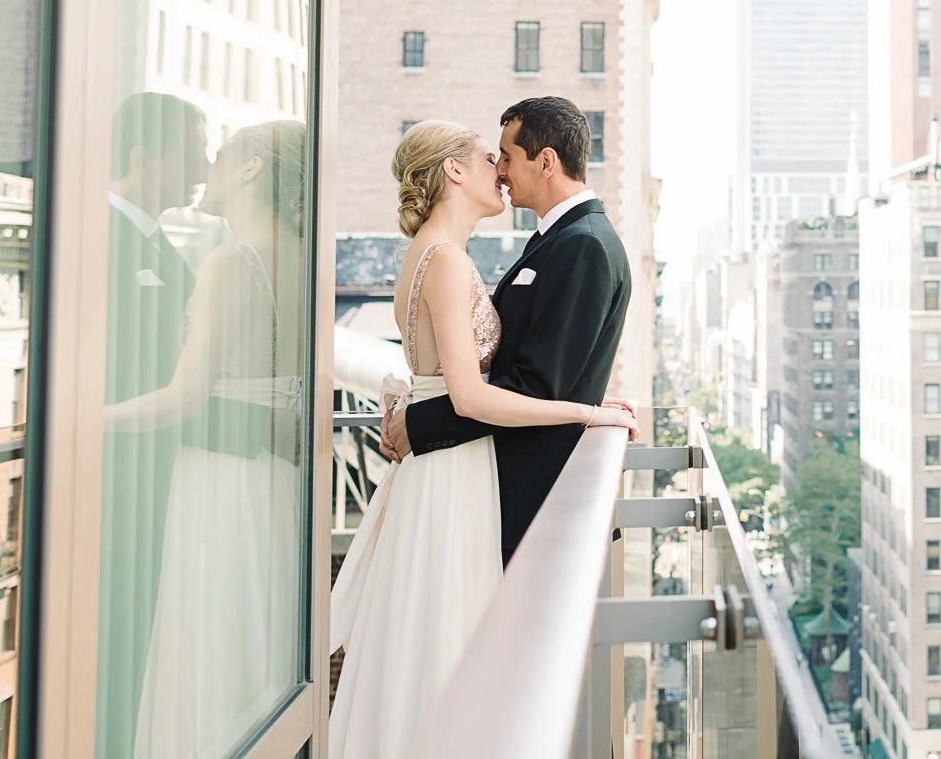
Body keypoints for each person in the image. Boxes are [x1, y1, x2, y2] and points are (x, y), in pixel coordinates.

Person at [328, 112, 636, 759]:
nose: (499, 168)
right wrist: (585, 412)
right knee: (447, 634)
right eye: (487, 155)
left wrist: (582, 401)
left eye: (506, 156)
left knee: (442, 628)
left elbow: (495, 377)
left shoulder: (455, 254)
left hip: (459, 464)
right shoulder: (446, 260)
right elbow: (469, 393)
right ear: (453, 171)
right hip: (457, 467)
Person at [107, 119, 309, 758]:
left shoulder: (231, 261)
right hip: (276, 479)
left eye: (220, 156)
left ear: (251, 170)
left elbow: (184, 397)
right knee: (255, 642)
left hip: (217, 483)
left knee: (209, 637)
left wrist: (77, 421)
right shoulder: (300, 261)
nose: (206, 167)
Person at [99, 91, 206, 759]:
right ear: (144, 156)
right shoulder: (93, 238)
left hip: (157, 473)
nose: (202, 163)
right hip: (110, 480)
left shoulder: (162, 247)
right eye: (190, 150)